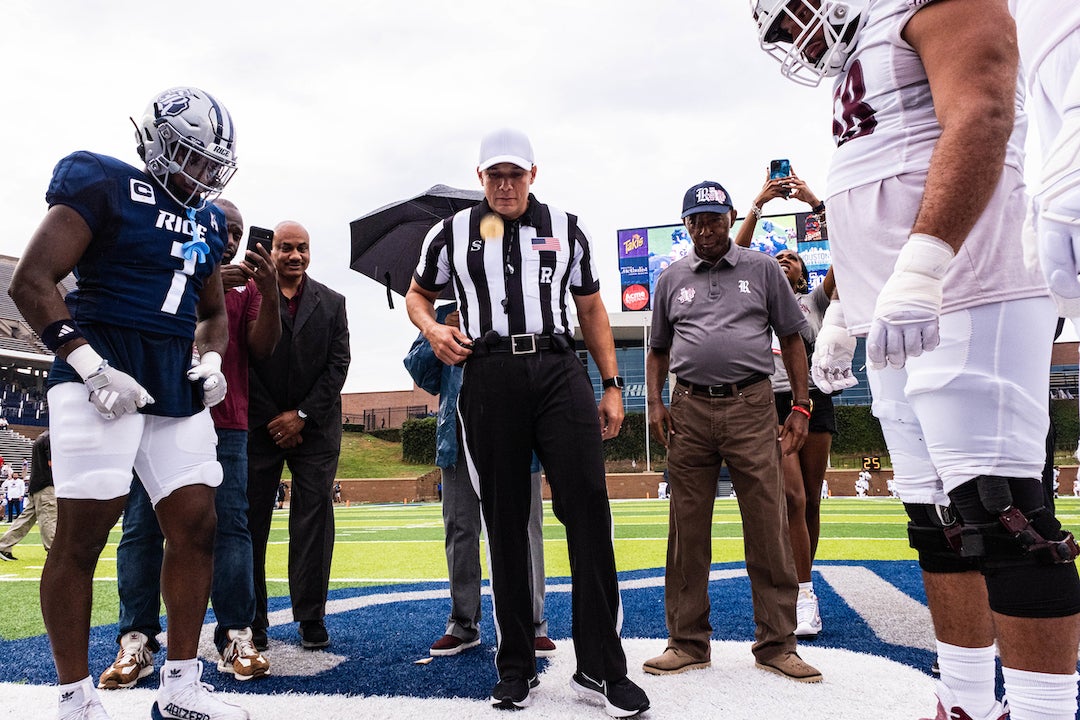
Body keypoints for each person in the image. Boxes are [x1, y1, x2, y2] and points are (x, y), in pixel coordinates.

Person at [752, 3, 1080, 718]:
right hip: (901, 305)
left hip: (974, 282)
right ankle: (963, 699)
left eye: (789, 17)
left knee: (1002, 513)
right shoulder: (864, 47)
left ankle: (1041, 710)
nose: (789, 35)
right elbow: (877, 183)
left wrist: (925, 264)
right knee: (938, 518)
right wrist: (846, 309)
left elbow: (984, 112)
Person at [9, 86, 247, 720]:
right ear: (158, 142)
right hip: (100, 367)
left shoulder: (207, 220)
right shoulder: (103, 182)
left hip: (172, 379)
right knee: (84, 535)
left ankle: (181, 687)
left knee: (198, 525)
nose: (200, 172)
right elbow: (31, 280)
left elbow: (213, 313)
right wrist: (89, 365)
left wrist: (213, 359)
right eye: (190, 157)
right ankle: (73, 699)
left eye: (209, 161)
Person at [406, 128, 649, 717]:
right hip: (487, 374)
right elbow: (418, 294)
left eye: (515, 173)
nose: (505, 184)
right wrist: (434, 329)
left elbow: (591, 306)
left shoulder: (567, 226)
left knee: (588, 507)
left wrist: (612, 384)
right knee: (505, 518)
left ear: (533, 174)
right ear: (480, 177)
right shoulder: (454, 231)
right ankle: (515, 664)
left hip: (558, 366)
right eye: (495, 175)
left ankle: (600, 667)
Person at [96, 198, 280, 690]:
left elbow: (262, 349)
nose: (231, 238)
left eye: (236, 231)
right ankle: (136, 637)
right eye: (223, 229)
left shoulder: (240, 290)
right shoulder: (163, 268)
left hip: (226, 420)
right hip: (155, 414)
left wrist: (268, 292)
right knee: (140, 526)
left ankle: (236, 632)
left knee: (231, 528)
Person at [643, 180, 821, 684]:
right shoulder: (671, 277)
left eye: (714, 218)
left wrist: (802, 405)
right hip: (690, 409)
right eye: (695, 220)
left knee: (767, 524)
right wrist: (653, 403)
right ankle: (686, 642)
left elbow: (792, 337)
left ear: (732, 216)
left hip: (751, 405)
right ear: (686, 224)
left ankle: (778, 644)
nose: (706, 228)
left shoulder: (763, 269)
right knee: (687, 530)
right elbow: (657, 348)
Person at [403, 303, 555, 658]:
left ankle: (532, 624)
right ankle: (463, 623)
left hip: (515, 432)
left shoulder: (515, 300)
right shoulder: (442, 313)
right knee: (460, 530)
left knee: (525, 529)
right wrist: (437, 335)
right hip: (456, 436)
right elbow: (422, 375)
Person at [735, 173, 838, 639]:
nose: (783, 260)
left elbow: (849, 249)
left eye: (792, 257)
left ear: (804, 272)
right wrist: (759, 202)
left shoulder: (815, 301)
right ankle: (801, 592)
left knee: (809, 501)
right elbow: (735, 255)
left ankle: (803, 582)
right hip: (772, 400)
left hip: (814, 397)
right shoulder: (754, 292)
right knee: (792, 498)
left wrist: (815, 202)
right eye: (777, 257)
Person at [247, 220, 350, 652]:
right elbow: (243, 362)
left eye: (302, 248)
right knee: (250, 523)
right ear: (270, 250)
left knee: (313, 523)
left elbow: (338, 365)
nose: (295, 256)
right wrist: (276, 418)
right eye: (285, 247)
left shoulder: (333, 302)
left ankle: (311, 616)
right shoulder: (248, 296)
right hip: (260, 425)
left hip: (317, 426)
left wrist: (302, 416)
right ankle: (252, 621)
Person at [0, 430, 56, 560]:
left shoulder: (42, 437)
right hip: (46, 485)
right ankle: (53, 551)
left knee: (25, 519)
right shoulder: (51, 438)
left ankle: (3, 545)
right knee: (49, 518)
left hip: (37, 484)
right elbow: (52, 463)